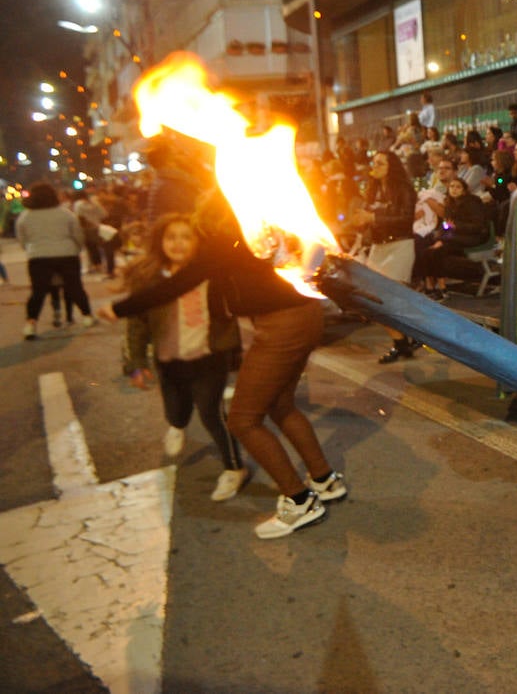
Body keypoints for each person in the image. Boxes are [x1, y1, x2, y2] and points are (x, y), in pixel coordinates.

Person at [98, 191, 348, 540]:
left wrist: (119, 308)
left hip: (282, 324)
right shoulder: (254, 226)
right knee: (279, 404)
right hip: (301, 315)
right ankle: (324, 479)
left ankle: (300, 500)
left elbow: (179, 284)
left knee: (243, 420)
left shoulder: (225, 237)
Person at [120, 214, 248, 501]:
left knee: (211, 414)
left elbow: (230, 315)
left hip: (207, 358)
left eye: (186, 237)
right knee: (175, 411)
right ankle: (177, 425)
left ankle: (234, 468)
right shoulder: (149, 279)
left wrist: (234, 351)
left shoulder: (210, 275)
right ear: (160, 242)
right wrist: (135, 364)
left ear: (197, 242)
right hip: (168, 360)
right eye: (171, 237)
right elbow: (137, 324)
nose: (178, 243)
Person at [348, 150, 420, 364]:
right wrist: (361, 221)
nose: (375, 166)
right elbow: (368, 215)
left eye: (380, 163)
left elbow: (406, 218)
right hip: (379, 247)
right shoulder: (373, 189)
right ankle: (400, 343)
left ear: (392, 167)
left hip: (400, 245)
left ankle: (412, 337)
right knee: (374, 300)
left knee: (392, 298)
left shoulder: (404, 189)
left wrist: (374, 216)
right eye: (374, 162)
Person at [17, 182, 95, 339]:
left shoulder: (25, 216)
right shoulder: (65, 214)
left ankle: (31, 325)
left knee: (38, 291)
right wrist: (77, 249)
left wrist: (32, 250)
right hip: (67, 254)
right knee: (75, 287)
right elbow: (77, 235)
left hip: (38, 256)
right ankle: (87, 316)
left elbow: (22, 239)